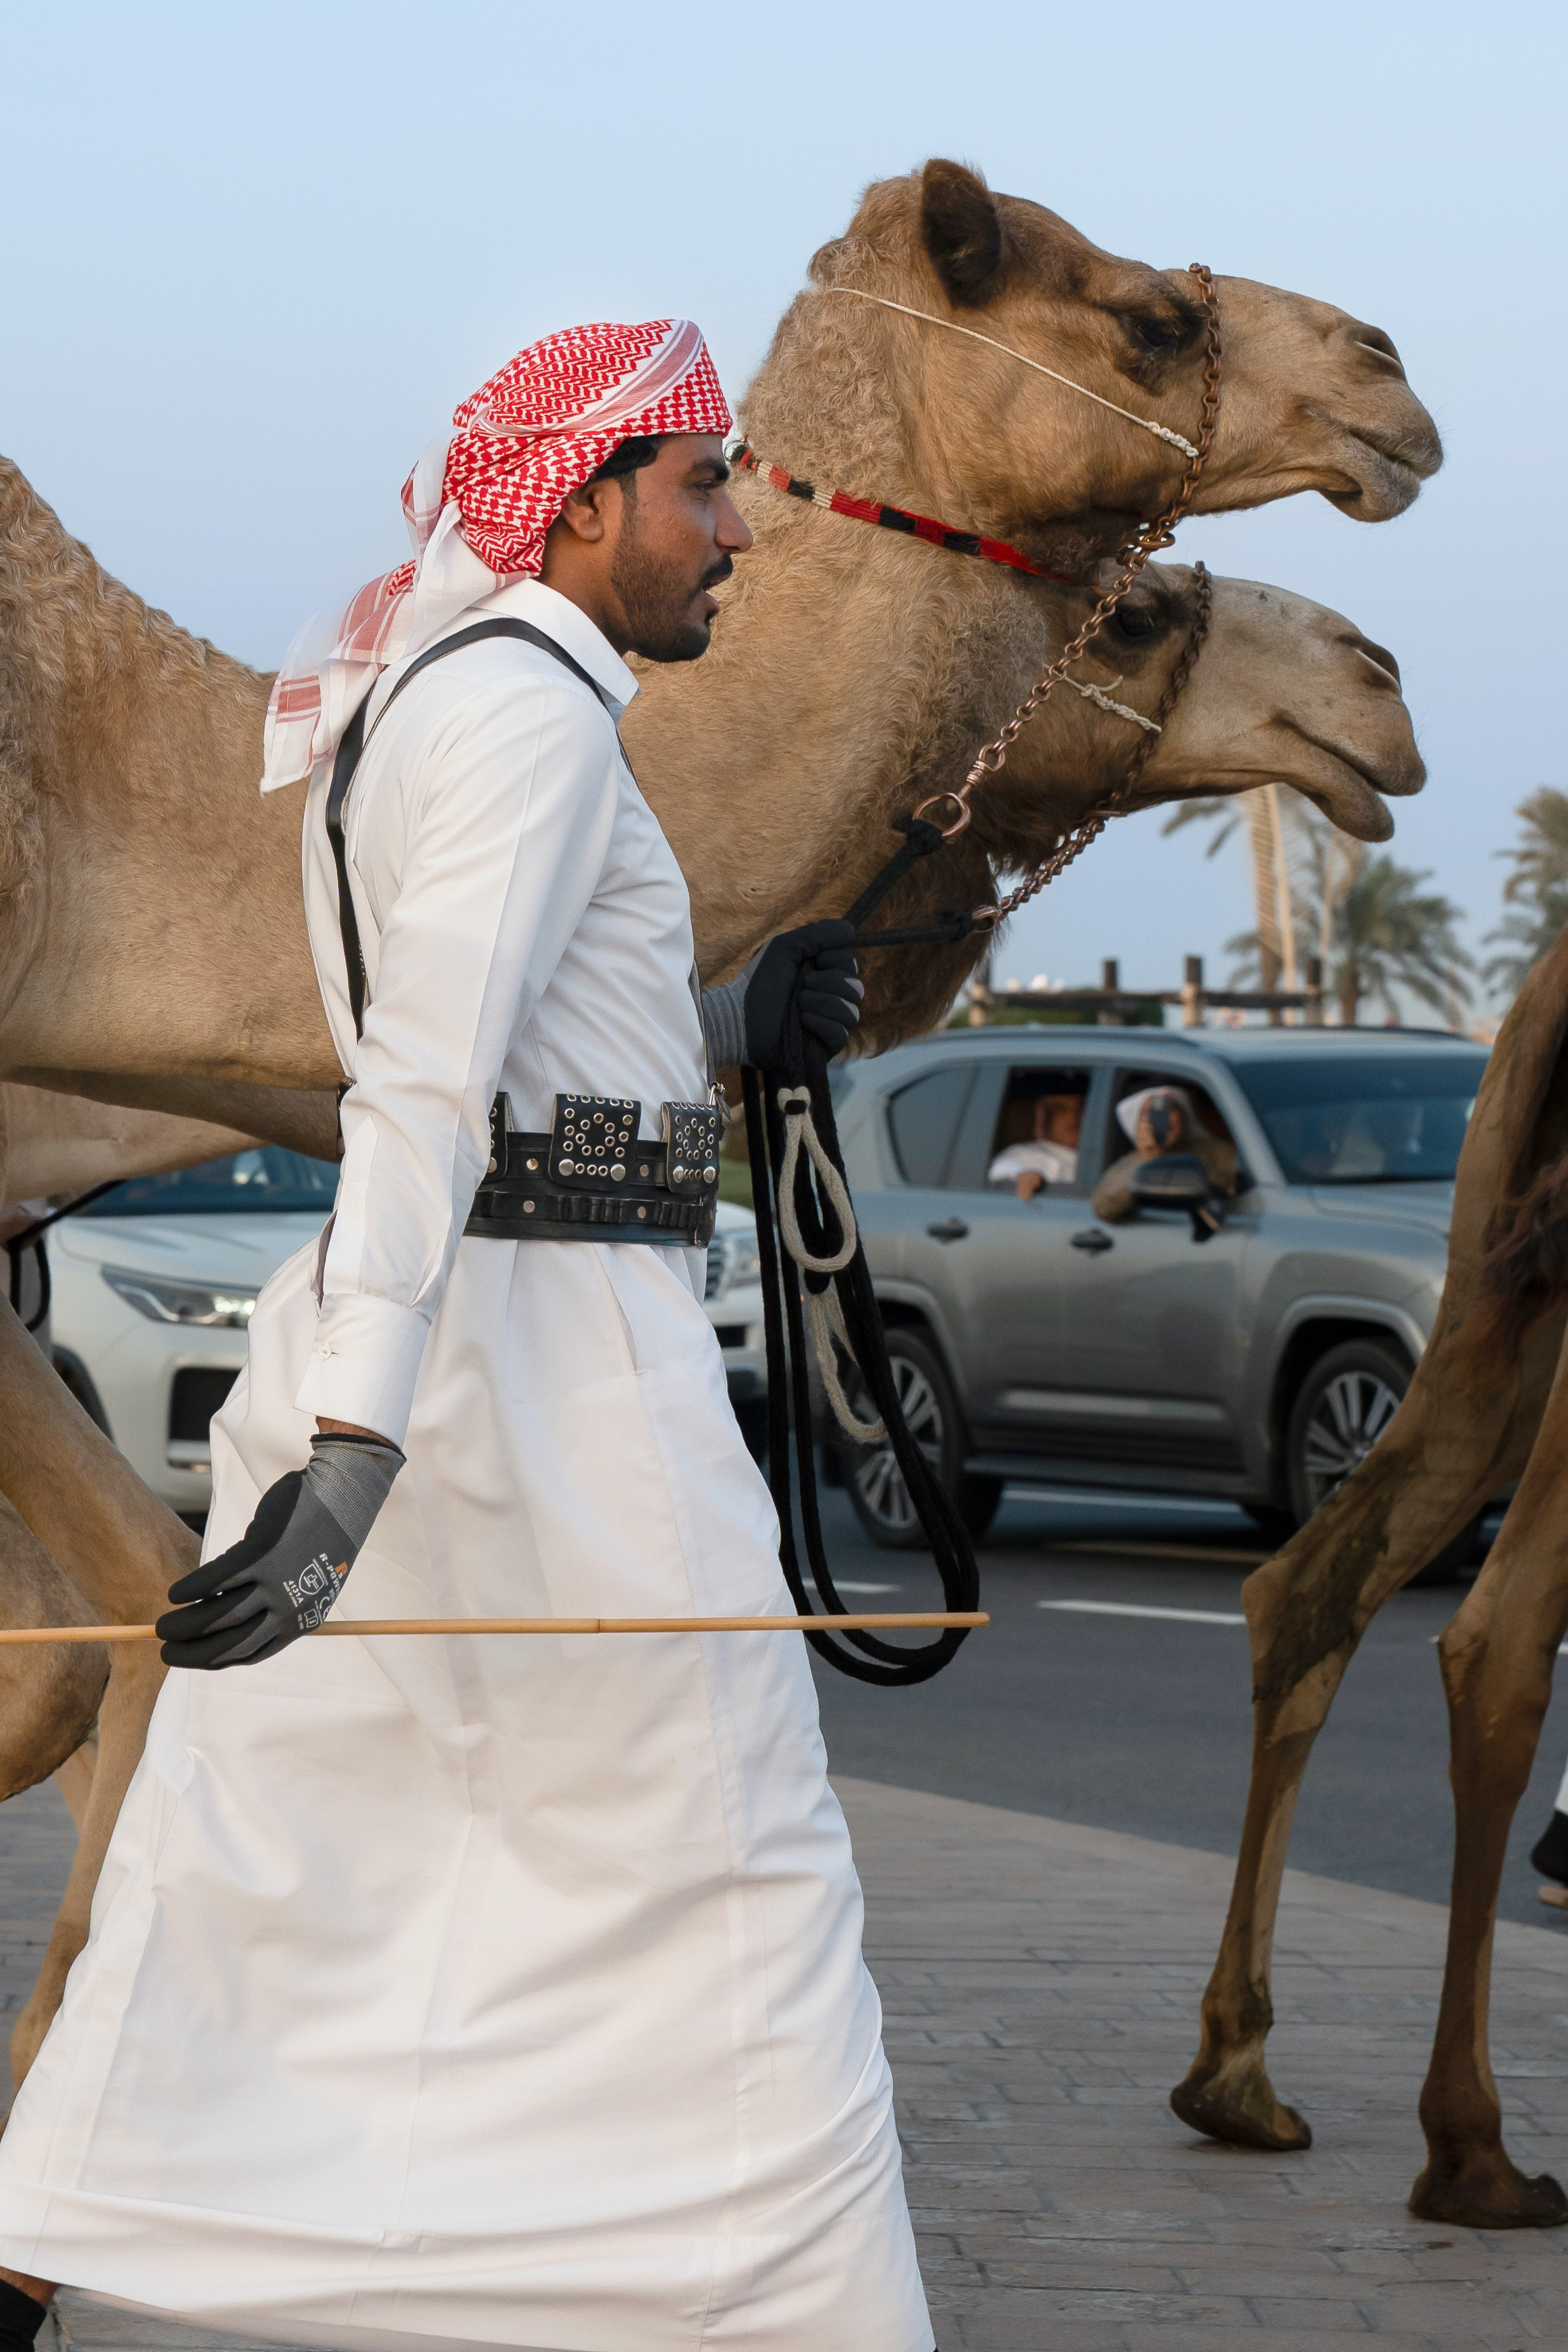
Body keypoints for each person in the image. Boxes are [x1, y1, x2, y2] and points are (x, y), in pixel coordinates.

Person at [0, 323, 933, 2352]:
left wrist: (730, 1033)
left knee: (270, 1875)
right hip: (530, 1380)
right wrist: (357, 1450)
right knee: (733, 1878)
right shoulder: (521, 717)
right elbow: (424, 1078)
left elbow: (527, 1044)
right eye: (699, 484)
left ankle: (57, 2229)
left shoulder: (464, 697)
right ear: (582, 500)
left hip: (464, 1353)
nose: (735, 531)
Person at [1091, 1083, 1238, 1224]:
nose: (1162, 1119)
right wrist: (1151, 1157)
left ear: (1184, 1116)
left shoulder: (1216, 1151)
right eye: (1148, 1113)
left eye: (1169, 1108)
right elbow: (1104, 1208)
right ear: (1137, 1122)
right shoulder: (1128, 1165)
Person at [986, 1089, 1084, 1197]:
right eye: (1060, 1109)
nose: (1072, 1118)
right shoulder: (1025, 1153)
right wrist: (1023, 1174)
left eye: (1080, 1109)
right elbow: (1001, 1170)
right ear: (1045, 1117)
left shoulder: (1098, 1154)